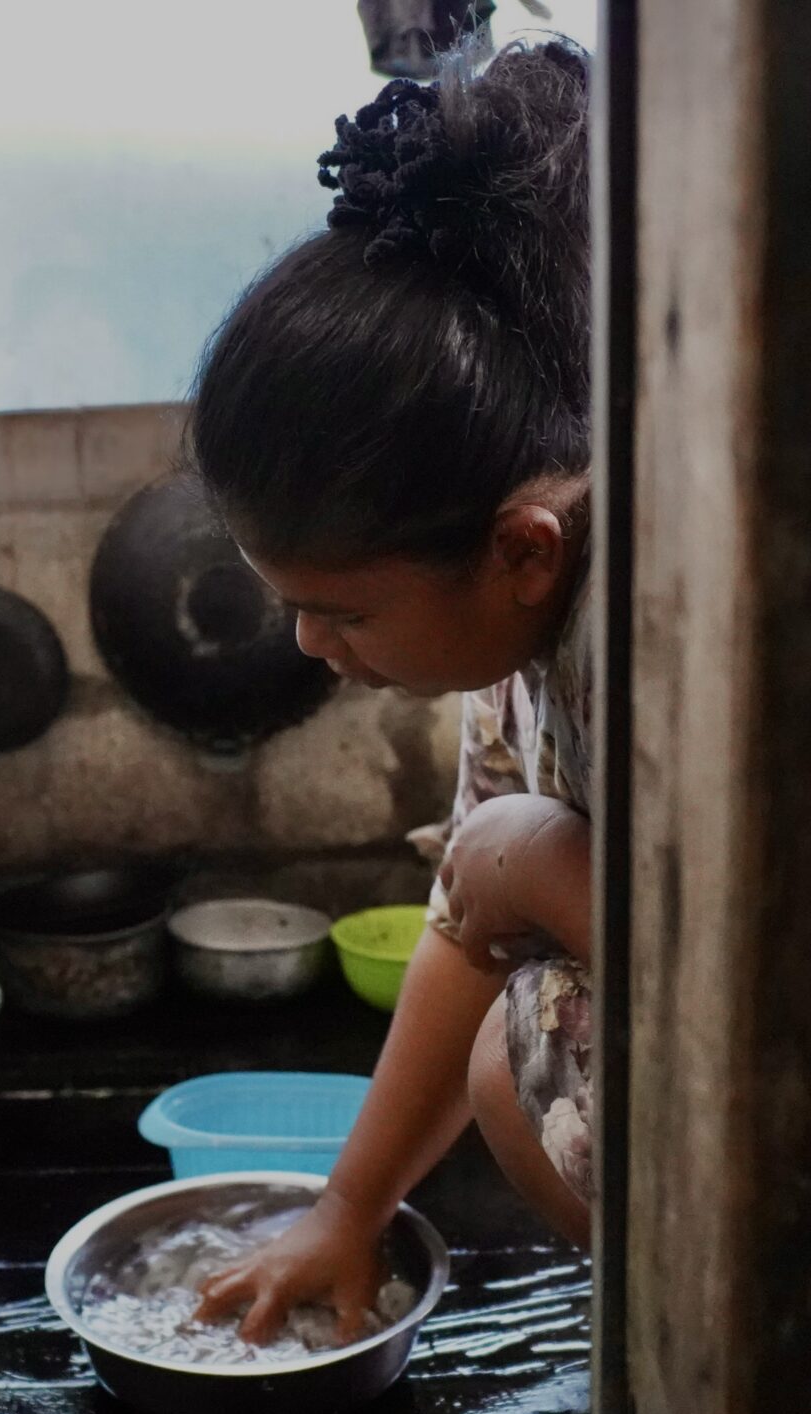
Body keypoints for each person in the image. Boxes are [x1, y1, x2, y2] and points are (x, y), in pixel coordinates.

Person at [191, 39, 596, 1344]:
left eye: (345, 609)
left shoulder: (656, 639)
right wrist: (348, 1206)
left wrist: (544, 868)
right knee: (496, 1043)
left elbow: (790, 970)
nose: (310, 642)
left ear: (521, 550)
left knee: (515, 1051)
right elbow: (463, 922)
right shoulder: (517, 632)